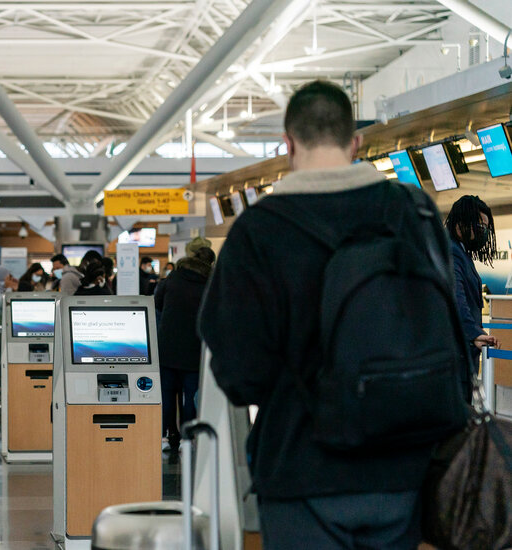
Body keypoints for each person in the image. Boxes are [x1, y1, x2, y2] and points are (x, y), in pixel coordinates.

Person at [199, 80, 453, 549]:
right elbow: (446, 325)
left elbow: (238, 374)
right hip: (404, 470)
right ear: (355, 142)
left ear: (288, 144)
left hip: (301, 471)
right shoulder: (412, 211)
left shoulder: (258, 231)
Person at [154, 237, 214, 461]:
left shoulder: (174, 277)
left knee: (167, 394)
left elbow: (157, 302)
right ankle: (188, 438)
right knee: (192, 396)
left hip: (168, 346)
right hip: (194, 348)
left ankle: (166, 436)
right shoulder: (210, 282)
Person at [446, 195, 500, 389]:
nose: (483, 232)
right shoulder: (452, 252)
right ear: (460, 223)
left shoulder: (460, 251)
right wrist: (474, 333)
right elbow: (456, 296)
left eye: (486, 227)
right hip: (456, 355)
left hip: (461, 354)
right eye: (479, 226)